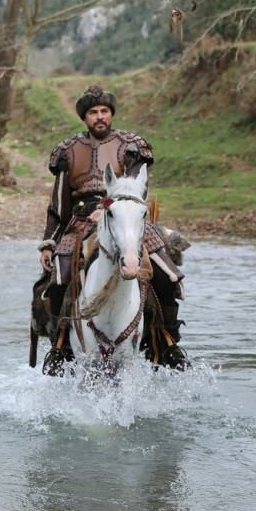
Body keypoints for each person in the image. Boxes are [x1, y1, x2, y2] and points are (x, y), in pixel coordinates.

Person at [36, 84, 190, 374]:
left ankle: (167, 342)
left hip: (127, 217)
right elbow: (58, 205)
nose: (100, 116)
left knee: (166, 276)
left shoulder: (132, 145)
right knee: (57, 279)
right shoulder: (67, 151)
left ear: (111, 114)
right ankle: (60, 345)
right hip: (81, 223)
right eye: (93, 112)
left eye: (104, 111)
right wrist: (48, 243)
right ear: (85, 117)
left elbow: (135, 186)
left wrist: (109, 206)